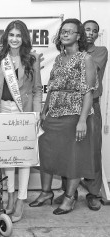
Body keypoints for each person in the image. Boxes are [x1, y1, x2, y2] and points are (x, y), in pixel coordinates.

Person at [29, 18, 97, 215]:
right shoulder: (59, 58)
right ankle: (46, 192)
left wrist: (82, 120)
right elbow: (52, 87)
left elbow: (88, 91)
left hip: (75, 115)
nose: (65, 34)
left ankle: (69, 198)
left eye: (70, 31)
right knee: (46, 151)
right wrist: (44, 110)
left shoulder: (86, 58)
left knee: (73, 157)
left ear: (78, 36)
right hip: (54, 113)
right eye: (63, 31)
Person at [0, 20, 42, 222]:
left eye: (18, 35)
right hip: (3, 109)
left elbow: (37, 90)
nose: (14, 39)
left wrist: (35, 115)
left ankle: (21, 199)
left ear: (24, 38)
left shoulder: (32, 59)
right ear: (6, 37)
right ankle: (10, 194)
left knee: (24, 157)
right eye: (11, 35)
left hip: (24, 111)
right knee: (7, 156)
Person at [54, 20, 108, 211]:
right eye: (87, 30)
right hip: (67, 109)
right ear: (81, 33)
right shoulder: (63, 56)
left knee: (91, 152)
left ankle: (93, 194)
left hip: (90, 107)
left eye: (95, 30)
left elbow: (87, 81)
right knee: (67, 152)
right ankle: (70, 192)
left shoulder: (98, 52)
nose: (91, 33)